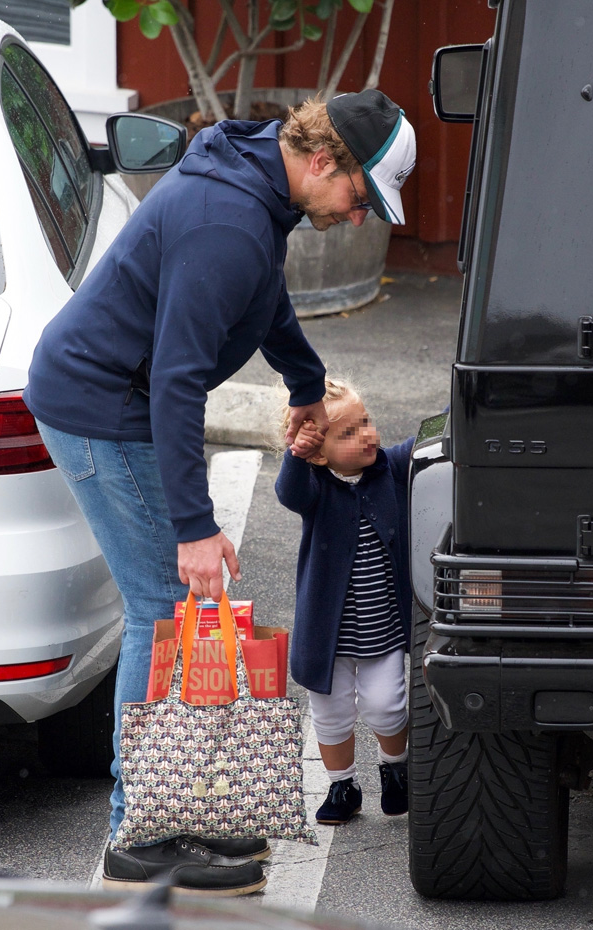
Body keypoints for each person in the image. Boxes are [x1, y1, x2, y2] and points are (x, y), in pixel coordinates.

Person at [23, 89, 416, 892]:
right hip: (103, 405)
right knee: (163, 607)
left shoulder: (255, 188)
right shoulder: (228, 225)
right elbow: (176, 381)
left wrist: (306, 380)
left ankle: (168, 819)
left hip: (118, 397)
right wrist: (197, 528)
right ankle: (142, 833)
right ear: (320, 161)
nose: (358, 216)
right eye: (359, 195)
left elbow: (262, 299)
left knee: (171, 606)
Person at [275, 378, 415, 824]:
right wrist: (296, 454)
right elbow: (288, 492)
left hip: (383, 628)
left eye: (367, 422)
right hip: (328, 635)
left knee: (387, 705)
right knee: (331, 714)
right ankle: (343, 786)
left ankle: (397, 770)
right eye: (348, 433)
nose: (368, 436)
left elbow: (432, 441)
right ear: (319, 452)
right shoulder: (314, 486)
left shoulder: (389, 468)